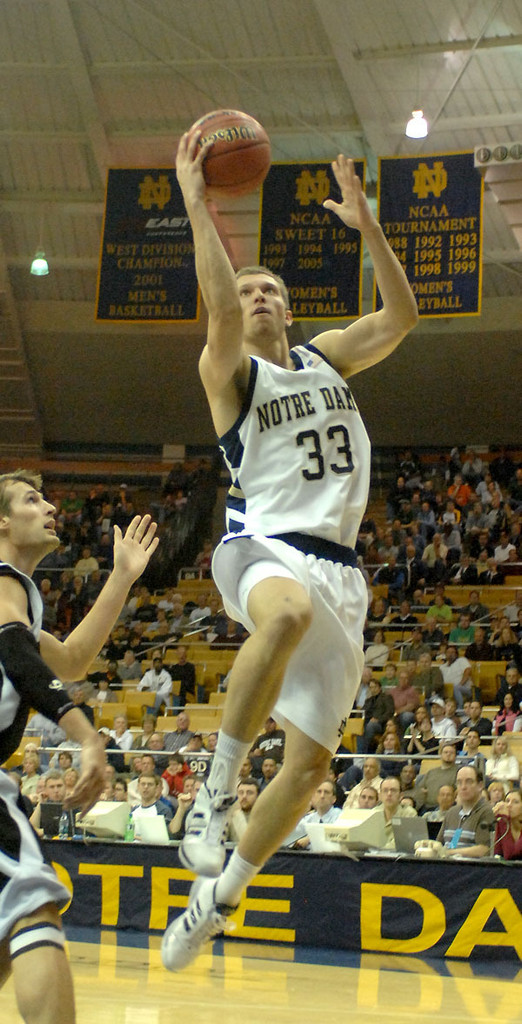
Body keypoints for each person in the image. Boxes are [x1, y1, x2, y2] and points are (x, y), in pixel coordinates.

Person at [161, 138, 418, 970]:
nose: (258, 296)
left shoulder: (326, 359)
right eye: (246, 289)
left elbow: (402, 317)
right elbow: (219, 308)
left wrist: (369, 227)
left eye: (271, 288)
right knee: (287, 611)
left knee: (309, 770)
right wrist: (200, 206)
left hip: (343, 574)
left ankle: (218, 896)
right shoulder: (228, 373)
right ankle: (212, 792)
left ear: (292, 309)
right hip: (260, 545)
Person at [0, 469, 158, 1023]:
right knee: (33, 898)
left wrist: (120, 577)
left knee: (7, 935)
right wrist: (86, 734)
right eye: (30, 499)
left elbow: (70, 661)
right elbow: (17, 659)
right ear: (1, 522)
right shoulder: (2, 584)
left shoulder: (17, 599)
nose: (48, 507)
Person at [437, 765, 495, 858]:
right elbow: (439, 844)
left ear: (480, 785)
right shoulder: (451, 812)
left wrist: (448, 852)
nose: (463, 787)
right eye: (459, 782)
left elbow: (484, 850)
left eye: (469, 782)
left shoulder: (487, 812)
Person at [493, 789, 522, 859]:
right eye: (507, 801)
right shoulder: (503, 821)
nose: (509, 805)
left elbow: (511, 856)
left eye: (515, 802)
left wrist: (504, 821)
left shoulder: (504, 822)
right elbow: (497, 853)